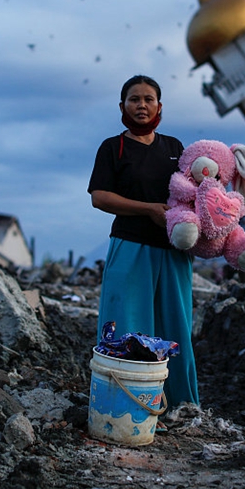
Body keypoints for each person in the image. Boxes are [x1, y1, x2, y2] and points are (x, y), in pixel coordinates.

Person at [87, 75, 199, 409]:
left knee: (175, 328)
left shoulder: (174, 148)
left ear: (159, 106)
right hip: (130, 246)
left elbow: (192, 192)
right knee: (127, 326)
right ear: (122, 106)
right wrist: (147, 209)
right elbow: (99, 197)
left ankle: (180, 406)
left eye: (148, 99)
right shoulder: (113, 147)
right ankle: (125, 406)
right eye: (134, 99)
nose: (141, 105)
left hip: (173, 251)